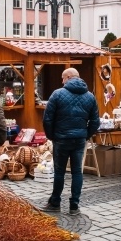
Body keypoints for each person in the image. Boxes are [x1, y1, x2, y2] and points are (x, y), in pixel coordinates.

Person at [41, 68, 100, 216]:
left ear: (68, 77)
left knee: (60, 172)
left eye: (62, 78)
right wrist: (86, 135)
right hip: (79, 139)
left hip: (61, 138)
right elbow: (95, 121)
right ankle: (74, 205)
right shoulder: (90, 96)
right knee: (77, 172)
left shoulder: (57, 94)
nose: (62, 81)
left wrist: (51, 136)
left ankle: (55, 202)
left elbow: (47, 119)